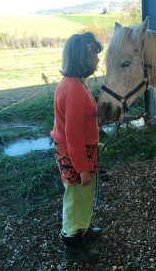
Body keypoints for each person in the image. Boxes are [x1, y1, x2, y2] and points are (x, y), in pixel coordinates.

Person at [50, 32, 103, 263]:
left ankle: (82, 229)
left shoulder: (78, 83)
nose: (98, 60)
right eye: (95, 54)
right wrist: (81, 167)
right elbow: (72, 134)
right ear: (84, 55)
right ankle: (72, 245)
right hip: (75, 152)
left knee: (84, 195)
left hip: (81, 150)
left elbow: (85, 117)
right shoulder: (73, 87)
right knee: (75, 198)